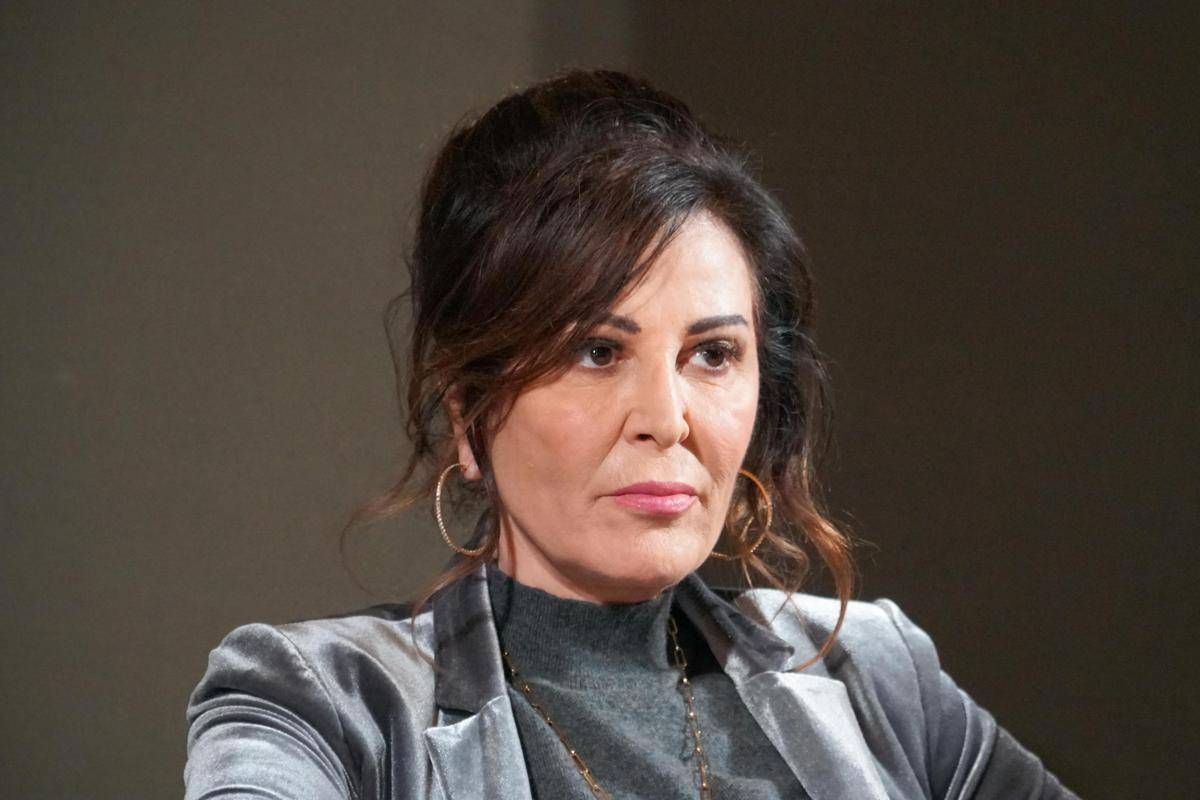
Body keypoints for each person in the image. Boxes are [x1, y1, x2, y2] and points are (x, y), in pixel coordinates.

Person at [183, 68, 1079, 800]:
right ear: (468, 412)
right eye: (598, 352)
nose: (666, 418)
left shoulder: (872, 676)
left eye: (713, 354)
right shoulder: (324, 703)